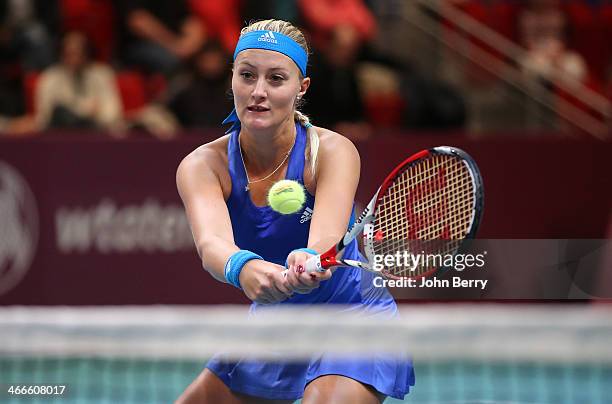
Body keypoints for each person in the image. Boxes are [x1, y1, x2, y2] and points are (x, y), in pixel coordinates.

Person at [175, 19, 414, 403]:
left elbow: (326, 237)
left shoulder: (332, 152)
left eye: (276, 79)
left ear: (301, 87)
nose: (257, 92)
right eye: (247, 75)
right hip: (277, 319)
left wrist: (310, 257)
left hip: (351, 315)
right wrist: (244, 268)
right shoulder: (203, 166)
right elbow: (212, 244)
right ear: (231, 78)